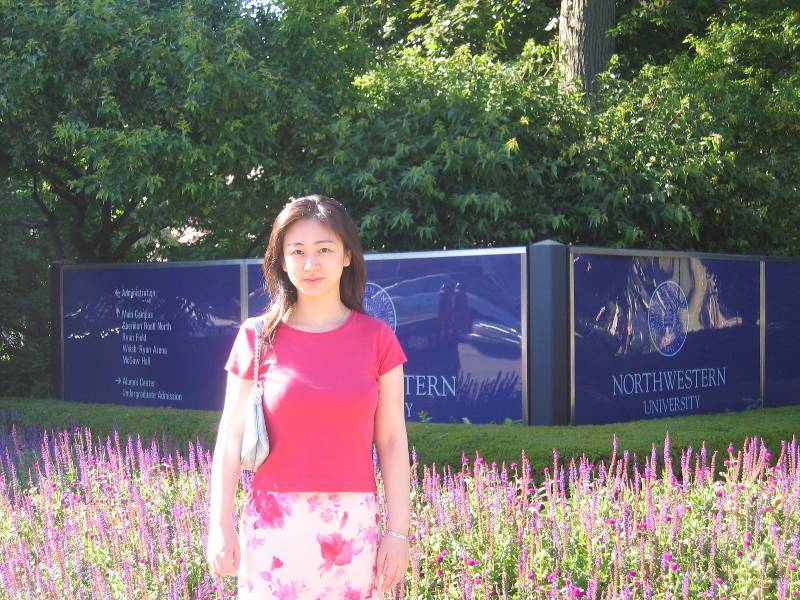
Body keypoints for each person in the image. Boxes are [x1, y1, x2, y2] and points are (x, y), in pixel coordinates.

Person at [206, 195, 410, 599]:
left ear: (347, 256)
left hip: (351, 528)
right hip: (273, 527)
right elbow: (230, 436)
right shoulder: (256, 337)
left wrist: (398, 532)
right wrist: (220, 524)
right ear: (282, 261)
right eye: (297, 251)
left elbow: (391, 440)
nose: (310, 263)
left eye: (324, 250)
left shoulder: (378, 340)